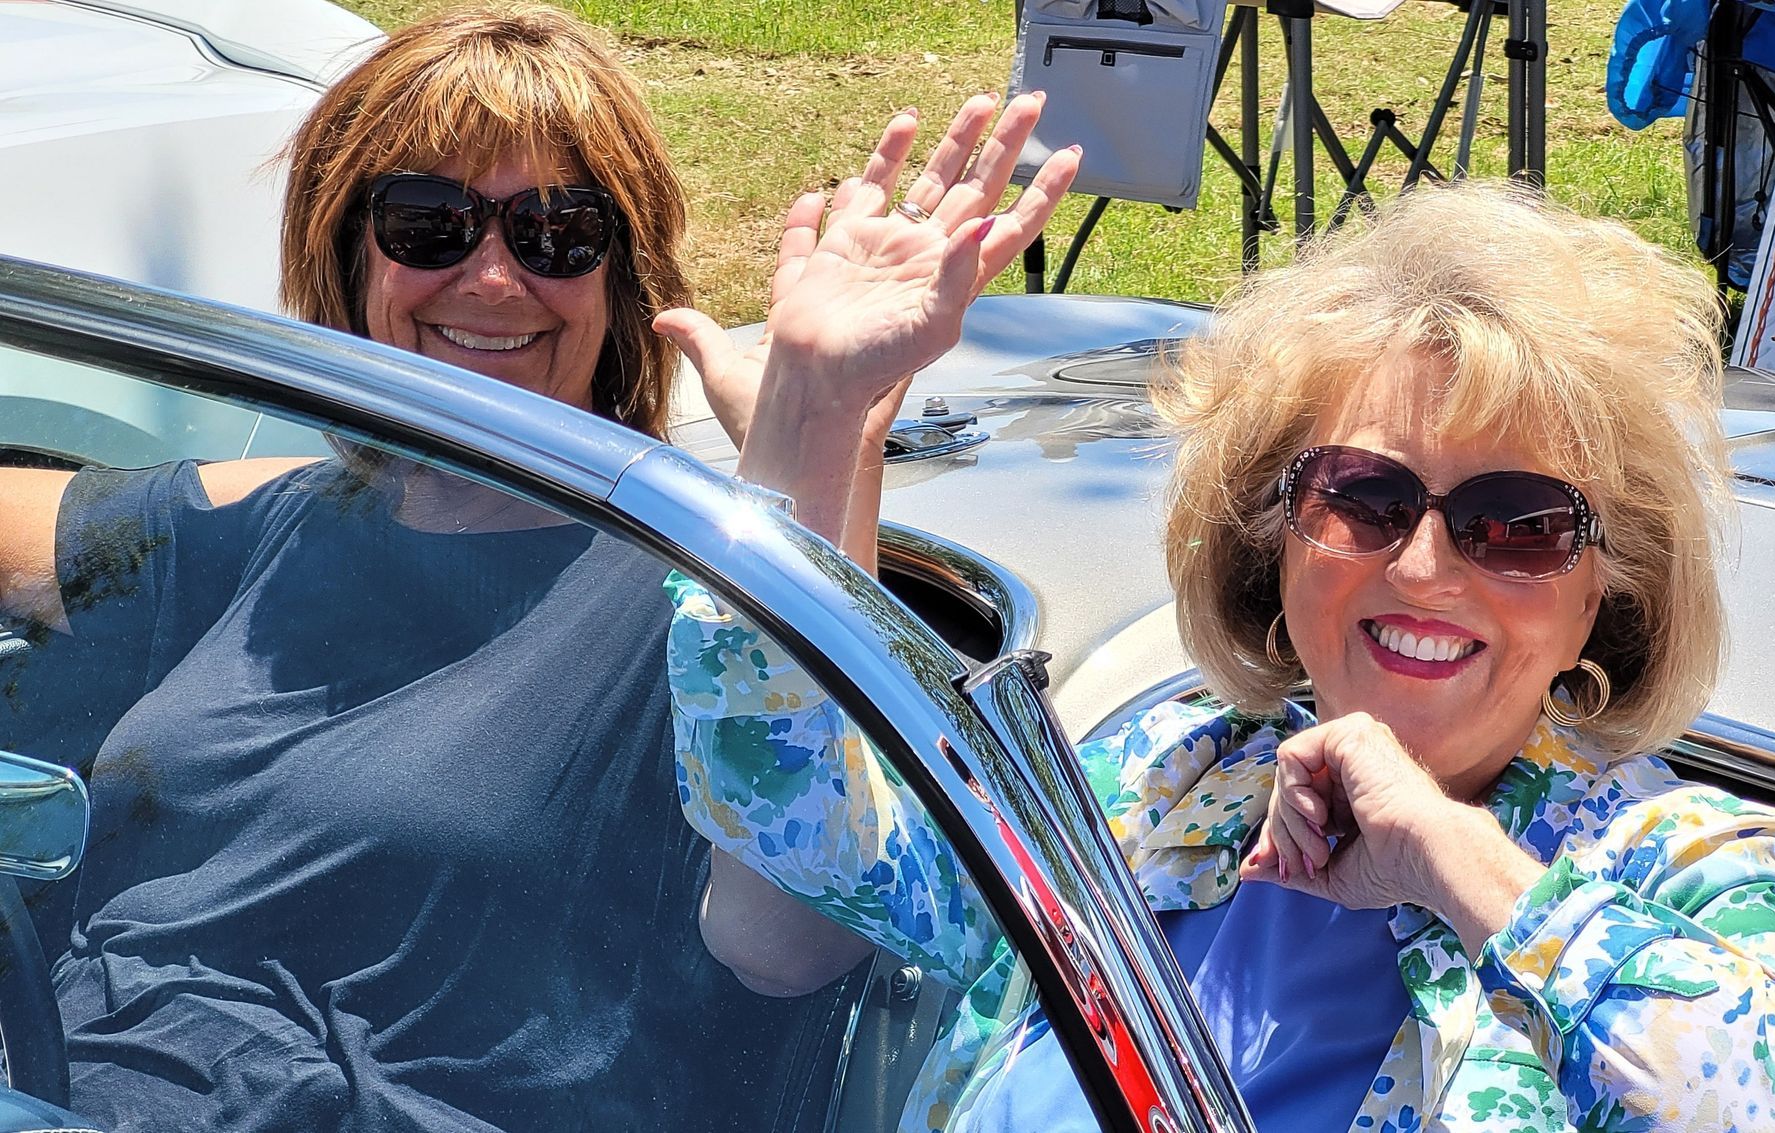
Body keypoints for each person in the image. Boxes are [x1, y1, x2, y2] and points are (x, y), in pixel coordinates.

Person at [0, 3, 1077, 1130]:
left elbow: (793, 928)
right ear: (346, 250)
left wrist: (818, 424)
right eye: (430, 223)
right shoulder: (274, 525)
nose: (494, 277)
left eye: (556, 232)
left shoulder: (707, 590)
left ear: (622, 278)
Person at [666, 182, 1775, 1131]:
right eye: (1364, 496)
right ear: (1280, 542)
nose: (1426, 567)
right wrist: (812, 421)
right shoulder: (1165, 772)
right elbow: (810, 832)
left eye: (1518, 524)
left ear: (1603, 594)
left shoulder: (1677, 867)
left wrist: (1454, 859)